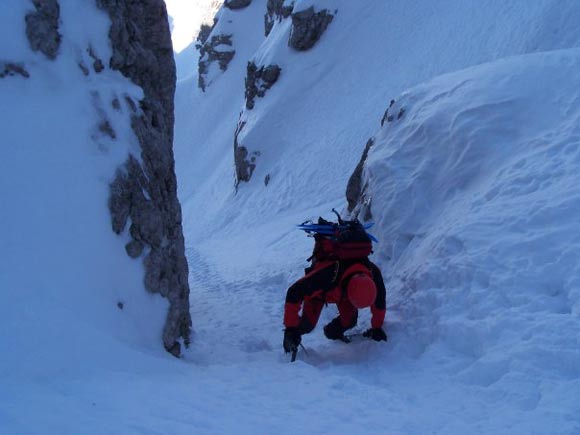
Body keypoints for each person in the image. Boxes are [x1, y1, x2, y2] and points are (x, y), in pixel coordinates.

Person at [282, 235, 387, 354]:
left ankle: (331, 332)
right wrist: (290, 329)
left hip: (342, 293)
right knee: (307, 326)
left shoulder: (373, 273)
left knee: (349, 321)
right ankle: (292, 338)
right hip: (319, 294)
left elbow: (379, 303)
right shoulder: (326, 275)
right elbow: (294, 292)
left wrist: (377, 328)